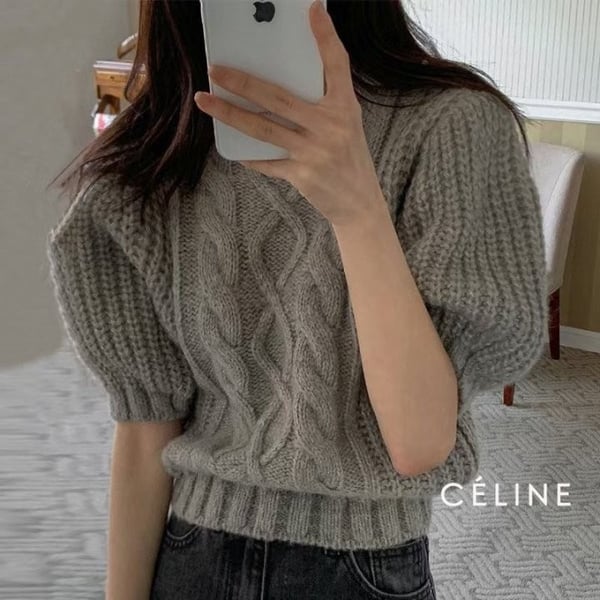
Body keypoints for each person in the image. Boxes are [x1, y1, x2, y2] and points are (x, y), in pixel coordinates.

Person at [46, 1, 548, 598]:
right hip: (189, 558)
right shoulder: (165, 149)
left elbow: (418, 444)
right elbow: (144, 428)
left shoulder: (454, 128)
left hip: (360, 572)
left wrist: (357, 207)